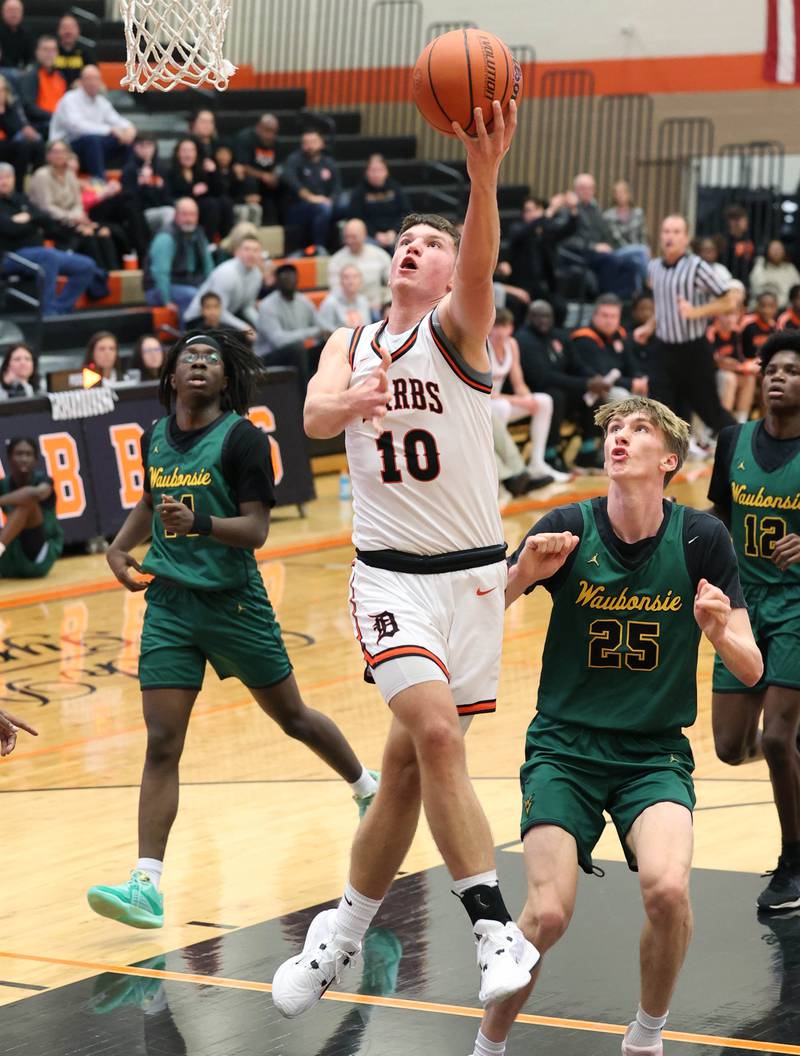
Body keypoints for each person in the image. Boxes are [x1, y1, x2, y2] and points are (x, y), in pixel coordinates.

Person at [272, 99, 539, 1018]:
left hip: (471, 577)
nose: (411, 250)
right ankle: (492, 929)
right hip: (388, 576)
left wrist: (482, 174)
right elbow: (309, 418)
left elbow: (481, 259)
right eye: (403, 242)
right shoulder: (347, 344)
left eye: (428, 243)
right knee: (433, 734)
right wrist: (349, 403)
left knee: (410, 768)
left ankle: (340, 933)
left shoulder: (464, 332)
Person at [469, 395, 762, 1056]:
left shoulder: (701, 539)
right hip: (564, 748)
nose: (619, 438)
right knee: (547, 913)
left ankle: (645, 1037)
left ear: (669, 459)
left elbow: (750, 669)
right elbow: (476, 619)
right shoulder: (567, 524)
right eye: (613, 429)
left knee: (666, 889)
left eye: (638, 429)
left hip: (652, 753)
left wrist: (718, 632)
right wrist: (522, 575)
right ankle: (487, 1046)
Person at [86, 329, 378, 929]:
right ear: (171, 376)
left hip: (233, 603)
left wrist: (198, 523)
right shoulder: (156, 436)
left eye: (210, 358)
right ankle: (147, 884)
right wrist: (118, 549)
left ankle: (365, 788)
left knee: (294, 717)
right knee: (162, 742)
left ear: (225, 379)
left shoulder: (241, 438)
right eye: (188, 357)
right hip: (169, 605)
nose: (198, 363)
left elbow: (256, 532)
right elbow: (149, 498)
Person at [708, 332, 800, 913]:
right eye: (772, 367)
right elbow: (720, 515)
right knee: (730, 745)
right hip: (743, 606)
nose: (777, 376)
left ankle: (793, 861)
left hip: (796, 607)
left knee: (775, 737)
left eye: (792, 369)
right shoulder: (731, 440)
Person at [635, 214, 739, 434]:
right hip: (663, 349)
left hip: (694, 351)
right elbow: (663, 305)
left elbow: (730, 300)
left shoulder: (697, 267)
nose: (670, 237)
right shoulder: (654, 267)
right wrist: (649, 327)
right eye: (666, 231)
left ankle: (745, 447)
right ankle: (665, 464)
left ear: (686, 238)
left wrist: (696, 312)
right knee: (660, 411)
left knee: (710, 412)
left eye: (676, 232)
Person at [515, 299, 608, 474]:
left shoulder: (558, 336)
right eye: (538, 316)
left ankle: (587, 450)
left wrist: (593, 377)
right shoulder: (524, 339)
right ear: (529, 317)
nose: (544, 320)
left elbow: (577, 365)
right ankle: (550, 454)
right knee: (556, 396)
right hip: (534, 391)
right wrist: (584, 383)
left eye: (547, 316)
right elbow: (542, 377)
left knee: (593, 393)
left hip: (562, 388)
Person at [0, 160, 98, 316]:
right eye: (0, 178)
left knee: (86, 265)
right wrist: (33, 223)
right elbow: (10, 229)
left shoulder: (21, 199)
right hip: (10, 256)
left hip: (37, 253)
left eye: (7, 177)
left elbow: (45, 220)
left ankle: (62, 310)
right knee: (48, 255)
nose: (4, 181)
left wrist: (28, 218)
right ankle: (48, 312)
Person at [489, 307, 569, 484]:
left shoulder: (512, 344)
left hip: (503, 402)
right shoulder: (482, 345)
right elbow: (485, 392)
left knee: (544, 401)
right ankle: (500, 472)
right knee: (501, 407)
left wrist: (527, 398)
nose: (500, 331)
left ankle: (537, 463)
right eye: (496, 326)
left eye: (504, 326)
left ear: (511, 328)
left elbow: (518, 383)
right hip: (486, 404)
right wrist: (518, 400)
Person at [28, 138, 119, 271]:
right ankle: (97, 276)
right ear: (48, 155)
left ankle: (113, 275)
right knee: (88, 237)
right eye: (55, 152)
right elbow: (46, 207)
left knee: (104, 234)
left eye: (62, 151)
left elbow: (77, 203)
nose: (59, 155)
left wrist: (79, 217)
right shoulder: (42, 175)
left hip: (72, 220)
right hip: (51, 223)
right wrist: (73, 218)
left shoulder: (70, 175)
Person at [562, 173, 642, 299]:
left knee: (630, 264)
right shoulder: (569, 210)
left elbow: (607, 233)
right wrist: (593, 246)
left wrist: (609, 245)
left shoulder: (596, 210)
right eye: (583, 188)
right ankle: (606, 299)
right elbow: (567, 239)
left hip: (603, 251)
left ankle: (625, 303)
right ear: (576, 189)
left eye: (591, 188)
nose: (588, 191)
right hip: (581, 253)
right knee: (610, 260)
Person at [50, 65, 136, 179]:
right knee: (92, 140)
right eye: (89, 79)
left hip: (94, 146)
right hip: (67, 146)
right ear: (81, 81)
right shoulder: (69, 99)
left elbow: (118, 120)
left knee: (126, 141)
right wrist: (110, 130)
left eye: (96, 79)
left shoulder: (101, 102)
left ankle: (129, 181)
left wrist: (130, 128)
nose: (93, 83)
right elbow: (77, 127)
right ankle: (99, 183)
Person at [0, 435, 65, 580]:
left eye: (28, 454)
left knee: (28, 504)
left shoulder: (44, 480)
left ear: (35, 459)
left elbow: (35, 494)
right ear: (9, 458)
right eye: (19, 454)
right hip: (13, 552)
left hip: (40, 550)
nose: (24, 458)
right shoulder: (3, 484)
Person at [255, 262, 326, 392]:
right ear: (277, 281)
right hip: (267, 356)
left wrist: (330, 333)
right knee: (297, 349)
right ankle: (304, 398)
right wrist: (311, 332)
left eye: (292, 276)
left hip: (297, 353)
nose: (289, 280)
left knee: (328, 345)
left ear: (297, 279)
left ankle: (326, 391)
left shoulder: (304, 301)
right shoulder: (267, 305)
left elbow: (320, 326)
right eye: (284, 277)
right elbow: (278, 341)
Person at [499, 192, 577, 309]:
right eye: (528, 210)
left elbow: (568, 230)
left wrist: (572, 208)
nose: (532, 214)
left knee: (560, 307)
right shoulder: (517, 228)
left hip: (543, 284)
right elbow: (524, 232)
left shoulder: (546, 230)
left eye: (536, 209)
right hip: (522, 284)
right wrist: (550, 211)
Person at [143, 197, 215, 324]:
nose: (189, 219)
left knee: (211, 296)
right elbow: (160, 273)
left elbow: (209, 266)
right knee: (191, 295)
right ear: (176, 215)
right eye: (184, 214)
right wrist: (166, 300)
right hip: (158, 289)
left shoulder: (199, 233)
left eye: (193, 214)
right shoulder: (166, 237)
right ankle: (188, 339)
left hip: (189, 283)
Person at [570, 293, 648, 398]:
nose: (609, 321)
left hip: (620, 384)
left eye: (614, 316)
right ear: (594, 316)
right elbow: (602, 374)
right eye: (605, 315)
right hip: (595, 390)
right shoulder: (585, 338)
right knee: (622, 396)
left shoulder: (619, 335)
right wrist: (631, 383)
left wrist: (639, 379)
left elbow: (631, 364)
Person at [184, 234, 263, 336]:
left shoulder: (257, 275)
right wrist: (245, 328)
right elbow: (217, 312)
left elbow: (247, 307)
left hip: (225, 315)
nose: (251, 254)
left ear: (260, 253)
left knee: (258, 332)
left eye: (255, 250)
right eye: (247, 249)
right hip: (199, 319)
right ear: (237, 252)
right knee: (240, 337)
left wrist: (261, 325)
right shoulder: (227, 273)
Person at [282, 129, 340, 248]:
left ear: (322, 143)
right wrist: (311, 197)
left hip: (325, 203)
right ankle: (319, 247)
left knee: (346, 206)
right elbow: (291, 181)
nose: (309, 146)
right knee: (322, 209)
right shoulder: (295, 160)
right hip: (299, 206)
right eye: (306, 142)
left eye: (313, 141)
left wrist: (331, 200)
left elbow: (337, 188)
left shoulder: (329, 163)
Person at [167, 136, 233, 242]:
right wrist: (192, 192)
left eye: (191, 151)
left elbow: (219, 191)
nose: (188, 155)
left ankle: (227, 242)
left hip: (204, 207)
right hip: (183, 206)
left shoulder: (200, 170)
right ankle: (206, 243)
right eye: (184, 151)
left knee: (225, 202)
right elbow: (168, 196)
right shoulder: (170, 172)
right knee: (211, 204)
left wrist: (213, 172)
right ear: (177, 153)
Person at [346, 153, 411, 249]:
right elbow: (356, 217)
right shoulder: (359, 192)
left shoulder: (395, 188)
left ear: (386, 172)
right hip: (370, 236)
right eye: (373, 170)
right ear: (366, 172)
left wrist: (393, 231)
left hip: (394, 234)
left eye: (380, 170)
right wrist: (375, 234)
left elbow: (406, 212)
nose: (376, 174)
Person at [328, 218, 391, 316]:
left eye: (354, 237)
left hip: (377, 308)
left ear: (364, 235)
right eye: (347, 237)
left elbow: (393, 283)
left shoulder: (380, 255)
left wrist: (386, 303)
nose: (350, 241)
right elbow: (336, 291)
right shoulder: (336, 260)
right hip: (350, 309)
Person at [707, 309, 755, 423]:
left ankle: (741, 423)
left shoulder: (735, 332)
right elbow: (714, 361)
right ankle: (723, 424)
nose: (731, 319)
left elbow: (739, 358)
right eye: (727, 314)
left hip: (731, 370)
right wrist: (729, 364)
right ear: (717, 316)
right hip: (711, 374)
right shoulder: (711, 331)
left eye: (734, 315)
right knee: (729, 378)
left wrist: (747, 366)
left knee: (749, 379)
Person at [233, 113, 282, 225]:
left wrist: (274, 176)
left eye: (273, 132)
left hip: (267, 185)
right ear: (258, 128)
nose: (269, 135)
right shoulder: (245, 138)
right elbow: (241, 166)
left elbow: (278, 165)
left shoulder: (276, 143)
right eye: (266, 130)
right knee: (250, 182)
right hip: (248, 183)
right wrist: (263, 175)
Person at [121, 135, 174, 234]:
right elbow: (127, 200)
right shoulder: (129, 169)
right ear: (135, 148)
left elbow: (168, 198)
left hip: (159, 208)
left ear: (155, 148)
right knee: (168, 213)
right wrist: (142, 185)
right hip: (140, 214)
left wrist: (159, 188)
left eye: (149, 145)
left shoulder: (161, 169)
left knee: (172, 211)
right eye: (141, 146)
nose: (146, 150)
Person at [602, 179, 650, 289]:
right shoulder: (608, 216)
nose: (620, 196)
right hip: (618, 252)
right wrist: (641, 249)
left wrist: (645, 249)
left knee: (637, 261)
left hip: (638, 254)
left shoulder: (638, 213)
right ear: (614, 196)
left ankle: (638, 292)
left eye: (623, 192)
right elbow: (615, 240)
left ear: (628, 194)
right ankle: (646, 285)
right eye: (617, 193)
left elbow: (642, 235)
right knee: (642, 251)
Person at [18, 35, 66, 138]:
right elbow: (29, 108)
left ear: (57, 53)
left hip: (59, 122)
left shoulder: (60, 76)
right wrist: (55, 116)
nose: (50, 54)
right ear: (37, 52)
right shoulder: (31, 75)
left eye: (53, 50)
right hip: (42, 124)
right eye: (45, 49)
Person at [0, 73, 40, 189]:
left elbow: (16, 129)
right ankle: (18, 187)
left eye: (2, 90)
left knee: (37, 144)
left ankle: (36, 184)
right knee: (22, 146)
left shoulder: (10, 106)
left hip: (8, 142)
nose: (0, 94)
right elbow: (13, 132)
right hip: (5, 143)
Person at [318, 263, 371, 332]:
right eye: (346, 277)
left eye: (355, 277)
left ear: (361, 281)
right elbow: (325, 331)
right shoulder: (330, 303)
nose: (351, 281)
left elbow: (368, 327)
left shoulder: (363, 300)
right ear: (340, 281)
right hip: (339, 341)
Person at [749, 240, 800, 308]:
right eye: (773, 249)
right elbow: (757, 289)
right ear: (767, 251)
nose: (776, 252)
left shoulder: (790, 268)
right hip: (767, 309)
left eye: (779, 249)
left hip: (789, 308)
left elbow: (797, 289)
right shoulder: (761, 267)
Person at [54, 13, 96, 87]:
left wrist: (82, 81)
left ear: (78, 31)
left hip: (80, 91)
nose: (68, 31)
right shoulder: (51, 50)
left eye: (71, 28)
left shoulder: (87, 52)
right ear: (58, 30)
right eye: (64, 28)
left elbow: (93, 74)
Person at [720, 204, 756, 288]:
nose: (746, 223)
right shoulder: (724, 241)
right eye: (744, 220)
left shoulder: (749, 238)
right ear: (734, 222)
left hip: (746, 283)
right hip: (727, 283)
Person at [740, 291, 778, 362]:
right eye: (763, 306)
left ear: (776, 307)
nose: (767, 310)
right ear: (757, 306)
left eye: (771, 306)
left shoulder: (775, 327)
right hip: (748, 364)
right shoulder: (747, 324)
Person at [0, 0, 32, 73]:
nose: (14, 13)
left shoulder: (27, 32)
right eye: (10, 10)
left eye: (17, 10)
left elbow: (31, 56)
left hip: (21, 72)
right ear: (2, 12)